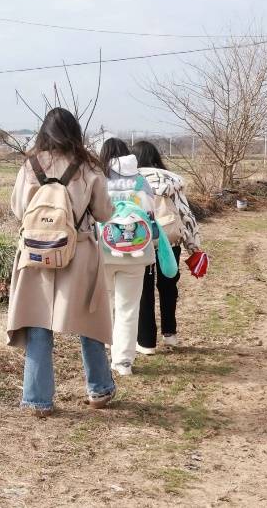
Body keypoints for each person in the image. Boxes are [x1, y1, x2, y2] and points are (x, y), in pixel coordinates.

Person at [8, 108, 116, 417]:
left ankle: (38, 400)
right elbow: (104, 213)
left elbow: (18, 209)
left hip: (36, 253)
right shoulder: (88, 168)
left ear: (44, 132)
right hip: (79, 252)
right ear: (74, 133)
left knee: (38, 324)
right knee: (89, 323)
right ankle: (99, 390)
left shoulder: (29, 166)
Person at [131, 140, 203, 353]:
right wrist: (193, 245)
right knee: (168, 286)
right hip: (169, 239)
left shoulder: (130, 180)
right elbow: (185, 214)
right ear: (156, 157)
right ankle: (170, 334)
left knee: (143, 289)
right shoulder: (172, 180)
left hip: (140, 241)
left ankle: (146, 342)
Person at [98, 137, 155, 377]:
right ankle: (122, 363)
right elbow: (150, 212)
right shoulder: (141, 181)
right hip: (136, 252)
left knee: (105, 305)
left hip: (103, 249)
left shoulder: (99, 178)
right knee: (128, 308)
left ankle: (105, 349)